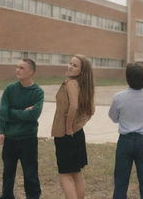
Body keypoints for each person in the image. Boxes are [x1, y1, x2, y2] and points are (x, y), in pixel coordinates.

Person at [108, 63, 143, 199]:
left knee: (121, 182)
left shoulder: (119, 97)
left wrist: (123, 120)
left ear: (128, 78)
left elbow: (113, 116)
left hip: (125, 141)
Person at [0, 58, 44, 199]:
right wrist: (1, 131)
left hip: (27, 139)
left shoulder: (38, 92)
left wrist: (12, 112)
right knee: (8, 171)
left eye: (22, 68)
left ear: (31, 72)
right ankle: (7, 195)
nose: (17, 70)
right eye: (17, 67)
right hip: (10, 137)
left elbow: (33, 114)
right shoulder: (10, 89)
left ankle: (33, 196)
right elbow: (2, 111)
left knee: (30, 172)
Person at [51, 54, 95, 199]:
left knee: (64, 175)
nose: (70, 66)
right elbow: (91, 111)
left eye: (75, 65)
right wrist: (78, 125)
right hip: (77, 134)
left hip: (66, 134)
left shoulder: (70, 83)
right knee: (76, 174)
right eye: (70, 63)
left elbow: (74, 106)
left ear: (81, 71)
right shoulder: (84, 86)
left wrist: (69, 127)